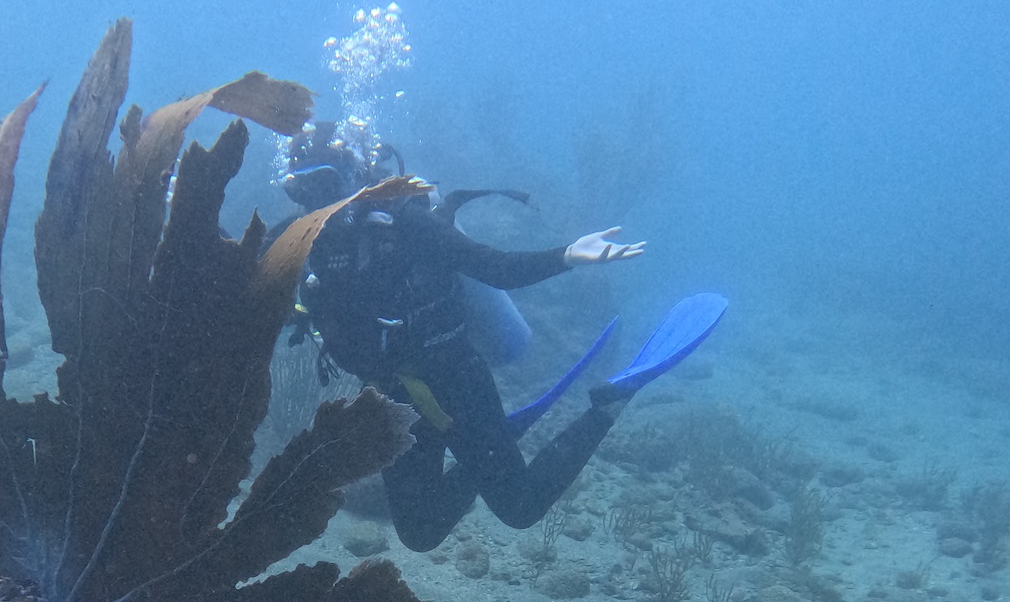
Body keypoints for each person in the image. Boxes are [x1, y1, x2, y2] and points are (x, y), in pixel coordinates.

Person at [282, 126, 705, 553]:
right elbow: (253, 290)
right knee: (419, 533)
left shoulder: (407, 224)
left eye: (328, 184)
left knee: (519, 507)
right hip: (392, 400)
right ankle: (496, 444)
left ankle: (607, 406)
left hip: (457, 382)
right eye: (304, 189)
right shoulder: (299, 241)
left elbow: (494, 267)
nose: (319, 201)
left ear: (354, 179)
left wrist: (567, 255)